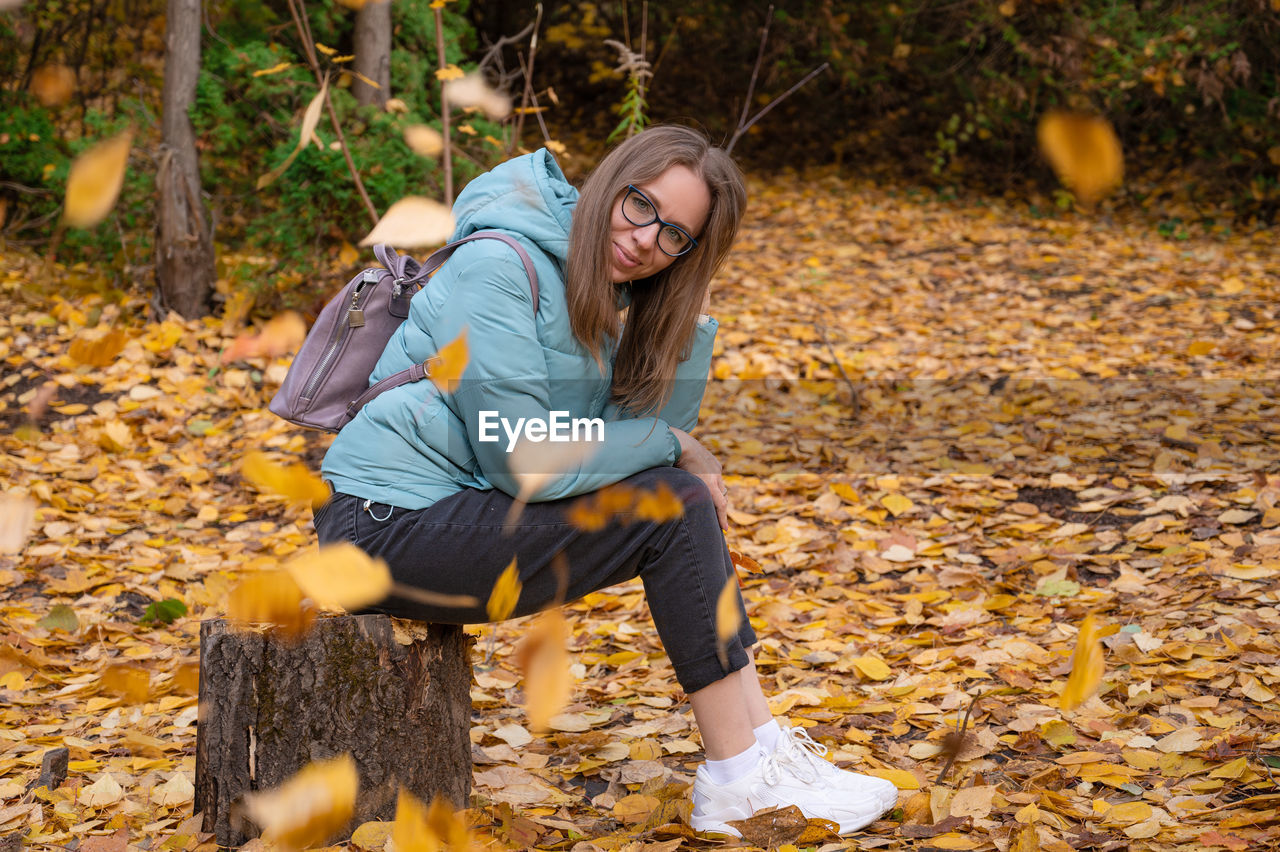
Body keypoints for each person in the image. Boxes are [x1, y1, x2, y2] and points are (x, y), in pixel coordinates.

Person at [314, 125, 898, 836]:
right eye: (640, 205)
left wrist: (691, 311)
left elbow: (634, 433)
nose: (648, 237)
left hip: (454, 514)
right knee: (670, 503)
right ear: (609, 184)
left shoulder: (601, 293)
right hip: (383, 527)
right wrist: (675, 445)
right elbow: (525, 457)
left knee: (673, 501)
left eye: (677, 236)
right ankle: (740, 777)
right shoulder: (499, 265)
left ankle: (764, 752)